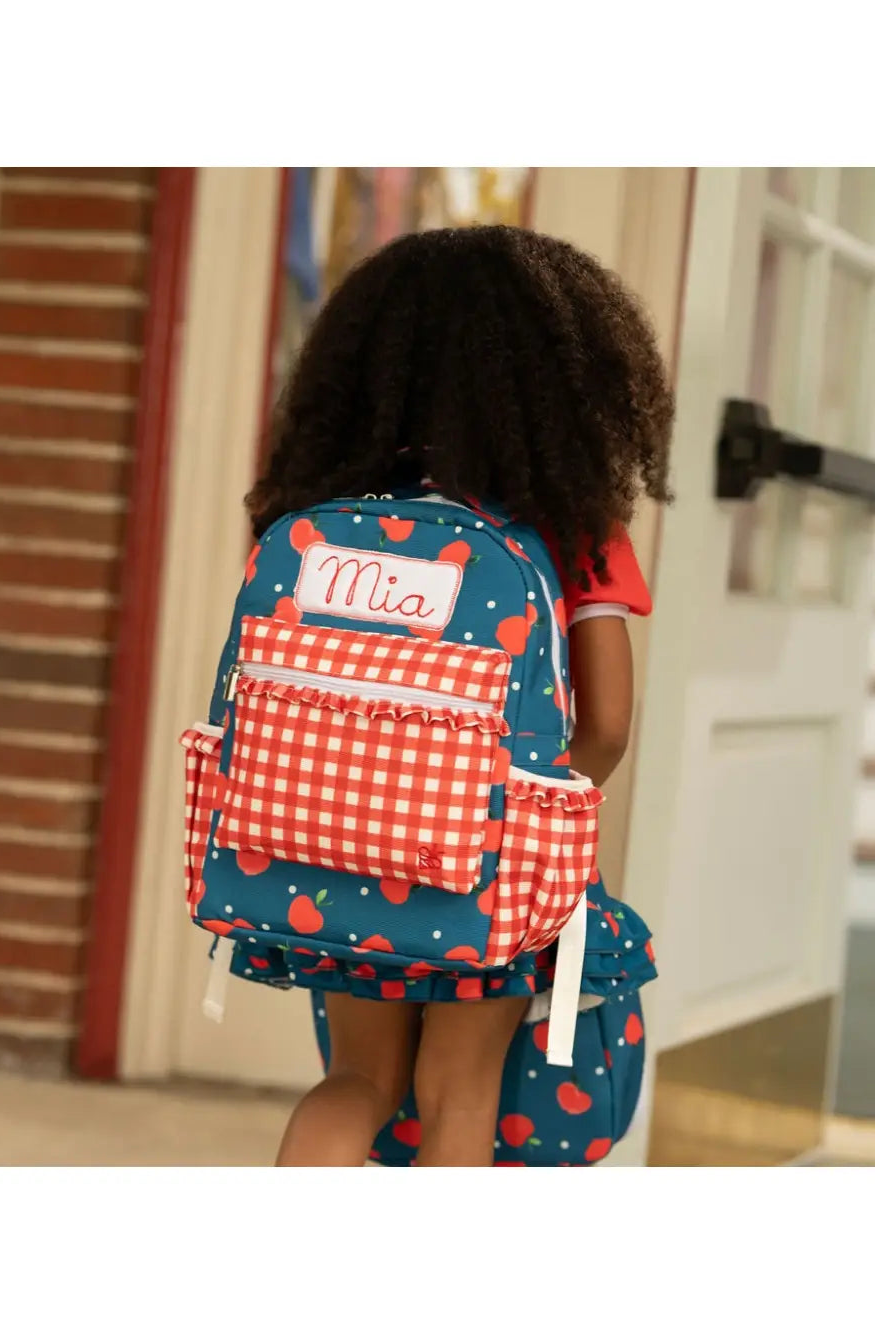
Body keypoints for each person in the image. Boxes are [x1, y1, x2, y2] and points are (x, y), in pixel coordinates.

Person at [240, 226, 673, 1166]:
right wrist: (523, 821)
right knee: (458, 1092)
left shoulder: (327, 505)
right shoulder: (569, 519)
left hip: (334, 846)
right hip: (488, 867)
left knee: (357, 1078)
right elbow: (605, 724)